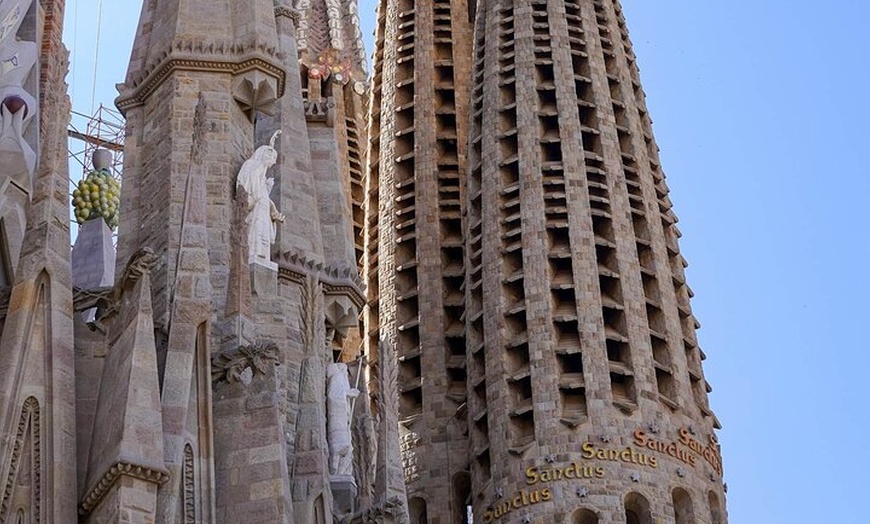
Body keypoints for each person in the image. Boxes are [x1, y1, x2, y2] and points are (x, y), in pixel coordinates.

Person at [236, 130, 285, 265]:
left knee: (263, 239)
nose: (273, 164)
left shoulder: (261, 175)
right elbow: (250, 192)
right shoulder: (251, 167)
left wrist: (273, 211)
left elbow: (262, 196)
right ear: (265, 155)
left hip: (263, 212)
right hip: (255, 211)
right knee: (254, 236)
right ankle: (253, 254)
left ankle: (262, 256)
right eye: (272, 160)